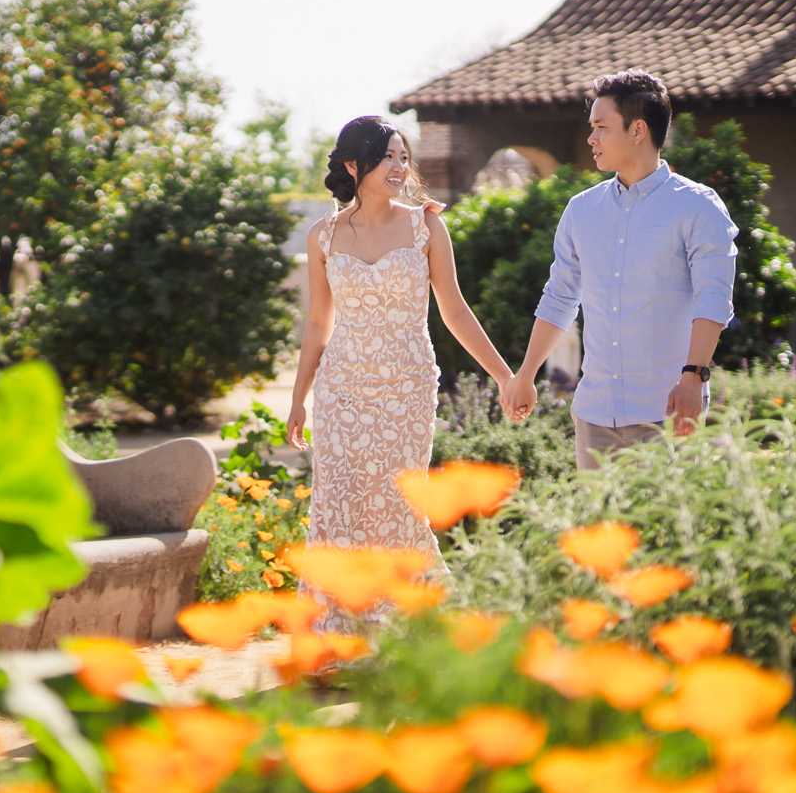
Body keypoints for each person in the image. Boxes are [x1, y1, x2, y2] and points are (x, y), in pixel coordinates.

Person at [286, 116, 517, 555]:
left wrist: (505, 376)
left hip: (405, 389)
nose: (398, 166)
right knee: (338, 505)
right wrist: (299, 398)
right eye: (387, 156)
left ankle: (404, 616)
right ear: (353, 166)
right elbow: (318, 324)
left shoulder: (426, 227)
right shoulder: (323, 236)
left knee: (399, 507)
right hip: (341, 393)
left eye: (403, 157)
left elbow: (454, 309)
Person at [502, 70, 738, 469]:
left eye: (600, 127)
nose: (591, 139)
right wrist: (526, 373)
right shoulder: (581, 210)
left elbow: (713, 297)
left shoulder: (698, 206)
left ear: (638, 130)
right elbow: (560, 296)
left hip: (666, 412)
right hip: (595, 415)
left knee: (665, 530)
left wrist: (694, 376)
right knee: (597, 532)